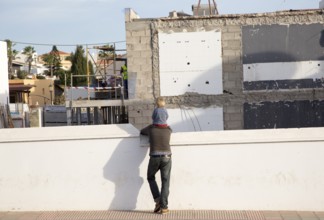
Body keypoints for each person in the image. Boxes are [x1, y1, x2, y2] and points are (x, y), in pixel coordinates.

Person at [141, 97, 172, 214]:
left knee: (150, 177)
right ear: (165, 117)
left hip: (154, 157)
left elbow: (142, 132)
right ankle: (164, 207)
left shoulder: (151, 129)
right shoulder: (169, 130)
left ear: (154, 116)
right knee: (165, 181)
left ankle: (158, 200)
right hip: (167, 157)